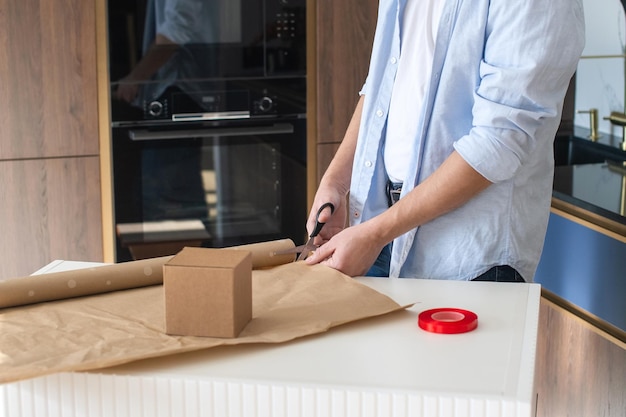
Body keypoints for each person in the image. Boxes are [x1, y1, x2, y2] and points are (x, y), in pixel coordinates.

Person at [304, 0, 585, 281]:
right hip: (377, 230)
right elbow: (382, 83)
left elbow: (498, 142)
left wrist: (378, 232)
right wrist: (337, 182)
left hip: (466, 256)